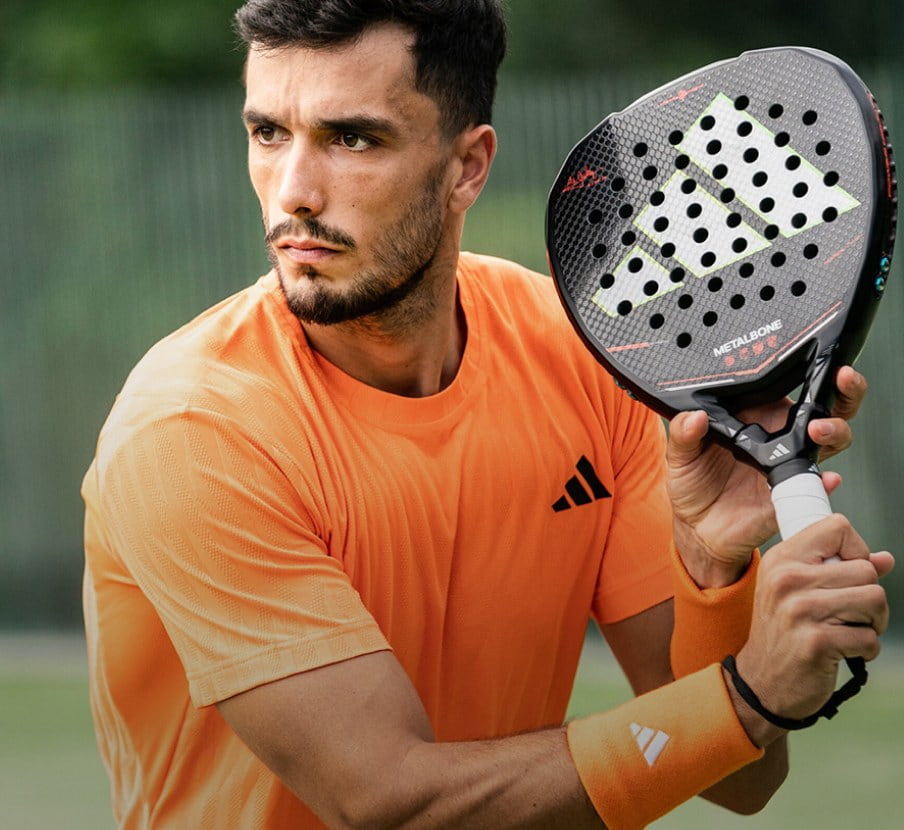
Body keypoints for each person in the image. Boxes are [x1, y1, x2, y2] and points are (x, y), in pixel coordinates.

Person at [81, 1, 893, 828]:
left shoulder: (582, 355)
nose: (294, 191)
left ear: (468, 166)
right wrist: (748, 699)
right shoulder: (191, 432)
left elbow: (737, 779)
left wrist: (713, 568)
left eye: (352, 138)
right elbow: (386, 801)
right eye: (268, 134)